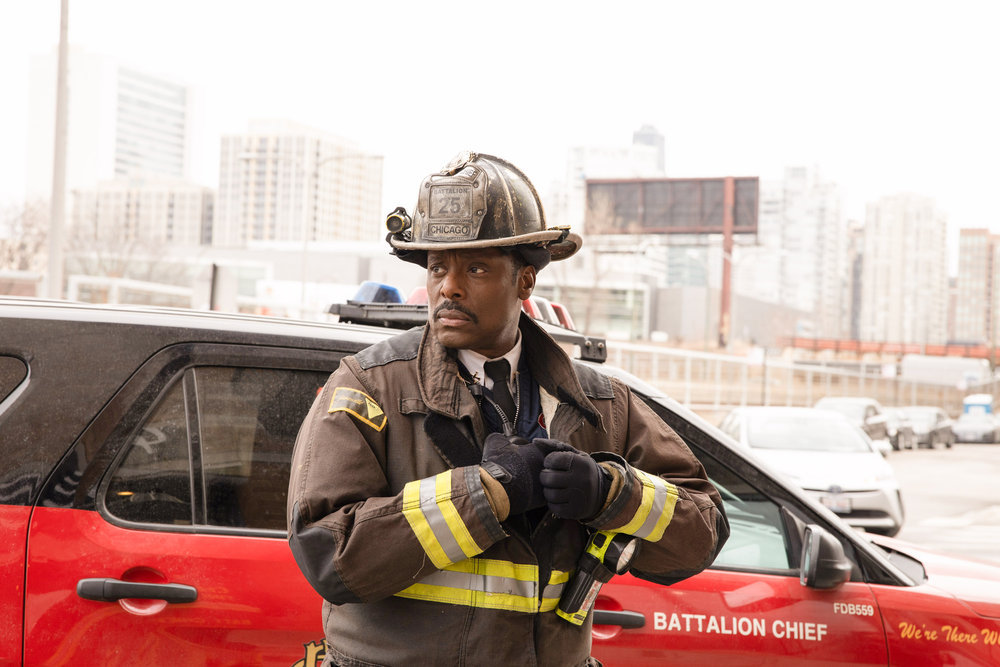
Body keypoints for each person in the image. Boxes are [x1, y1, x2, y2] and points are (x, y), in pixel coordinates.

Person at [287, 151, 728, 667]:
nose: (448, 286)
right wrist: (487, 493)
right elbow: (328, 553)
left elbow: (702, 532)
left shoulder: (602, 405)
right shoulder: (369, 388)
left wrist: (611, 493)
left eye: (475, 267)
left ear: (524, 282)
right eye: (437, 268)